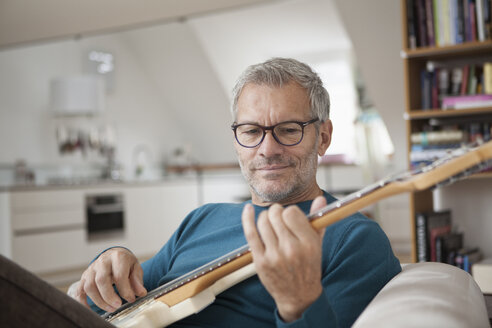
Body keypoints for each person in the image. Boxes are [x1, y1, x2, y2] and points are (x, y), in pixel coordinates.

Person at [67, 57, 401, 327]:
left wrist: (297, 304)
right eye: (252, 131)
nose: (267, 149)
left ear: (323, 137)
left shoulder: (354, 239)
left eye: (288, 130)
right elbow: (113, 305)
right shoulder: (202, 219)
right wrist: (111, 262)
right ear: (235, 141)